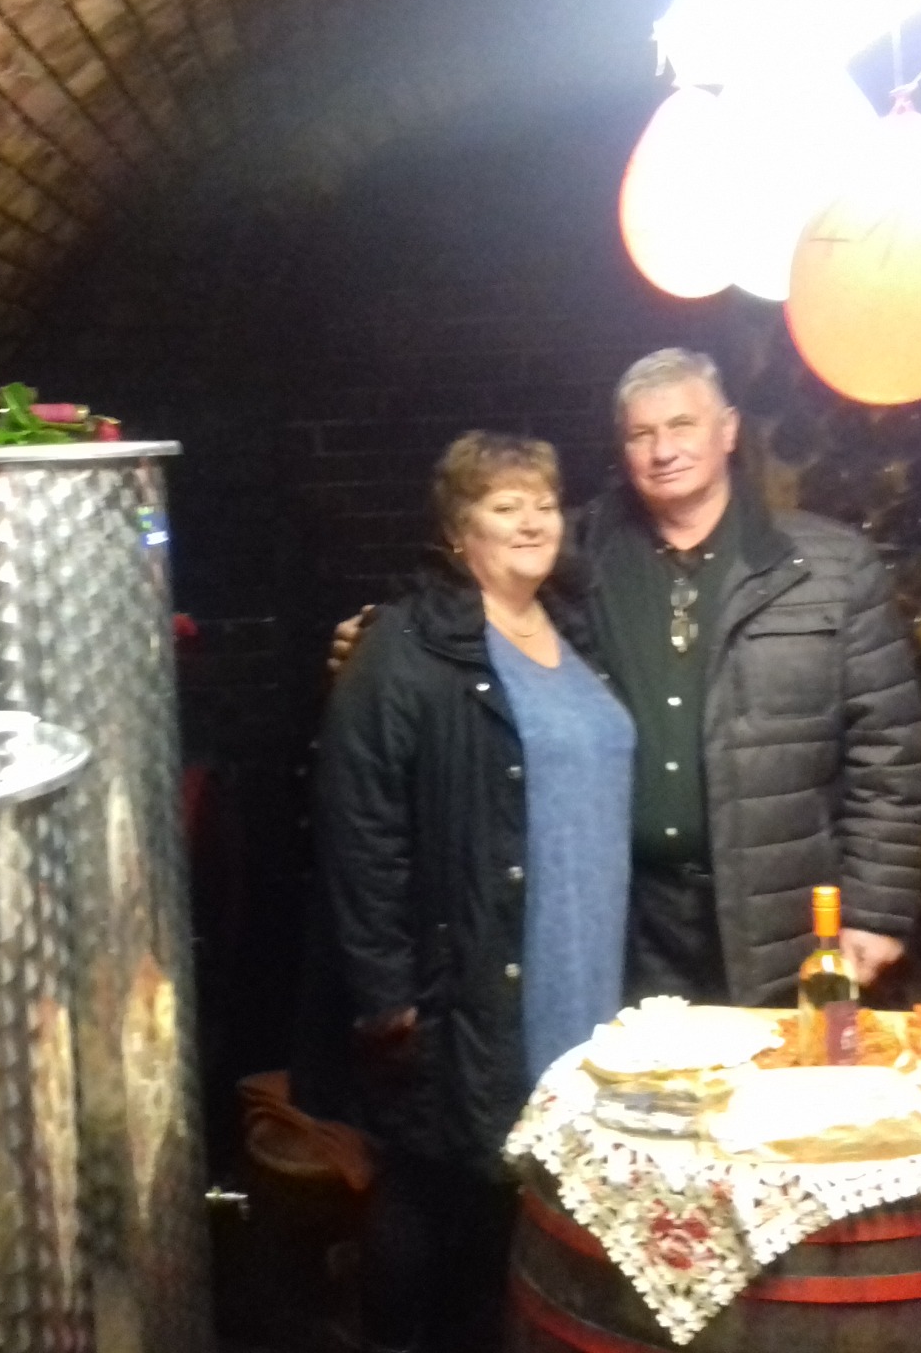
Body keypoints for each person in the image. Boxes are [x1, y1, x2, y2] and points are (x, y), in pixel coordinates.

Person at [330, 348, 921, 1007]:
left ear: (728, 430)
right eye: (642, 434)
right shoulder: (576, 554)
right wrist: (387, 638)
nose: (663, 450)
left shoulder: (831, 567)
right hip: (622, 919)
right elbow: (473, 585)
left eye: (681, 425)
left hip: (784, 919)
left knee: (784, 1072)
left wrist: (875, 911)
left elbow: (889, 753)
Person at [294, 431, 636, 1353]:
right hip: (467, 975)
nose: (532, 521)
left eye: (545, 504)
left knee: (528, 1197)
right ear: (457, 531)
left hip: (580, 964)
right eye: (503, 505)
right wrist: (386, 991)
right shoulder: (406, 645)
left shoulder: (579, 630)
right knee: (435, 1188)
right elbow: (358, 822)